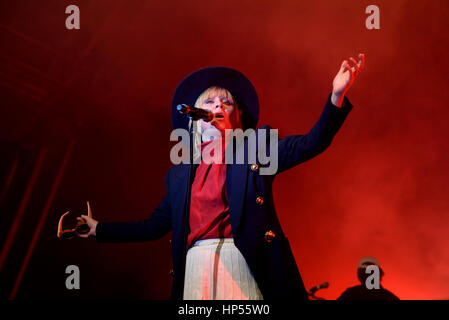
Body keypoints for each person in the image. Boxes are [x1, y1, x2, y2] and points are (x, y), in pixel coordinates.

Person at [71, 54, 365, 300]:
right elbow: (153, 226)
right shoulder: (179, 176)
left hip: (243, 262)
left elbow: (311, 143)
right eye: (211, 102)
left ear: (238, 119)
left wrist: (336, 96)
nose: (220, 107)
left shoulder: (256, 151)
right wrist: (100, 229)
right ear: (196, 118)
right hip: (196, 268)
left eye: (227, 104)